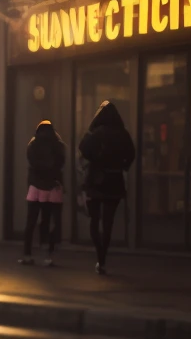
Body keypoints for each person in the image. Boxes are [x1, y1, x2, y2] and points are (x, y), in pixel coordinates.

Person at [78, 100, 136, 275]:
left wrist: (95, 159)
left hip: (96, 179)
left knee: (94, 220)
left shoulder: (96, 133)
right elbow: (131, 155)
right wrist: (122, 165)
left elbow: (83, 148)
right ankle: (103, 257)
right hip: (114, 180)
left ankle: (99, 256)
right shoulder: (123, 134)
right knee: (108, 221)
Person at [19, 120, 67, 266]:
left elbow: (31, 162)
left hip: (36, 187)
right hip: (52, 187)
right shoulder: (59, 145)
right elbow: (61, 164)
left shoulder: (32, 145)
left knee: (31, 221)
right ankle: (48, 256)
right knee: (49, 221)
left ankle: (27, 255)